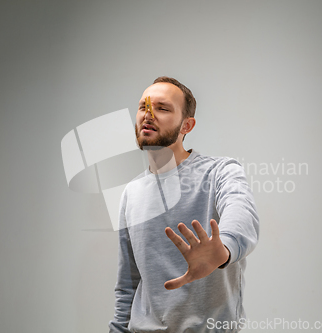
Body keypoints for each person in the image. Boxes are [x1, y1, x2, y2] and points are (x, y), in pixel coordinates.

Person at [109, 76, 259, 333]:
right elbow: (128, 284)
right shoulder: (131, 193)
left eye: (162, 108)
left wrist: (224, 249)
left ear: (186, 126)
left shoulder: (220, 171)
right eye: (143, 107)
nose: (148, 115)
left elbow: (242, 214)